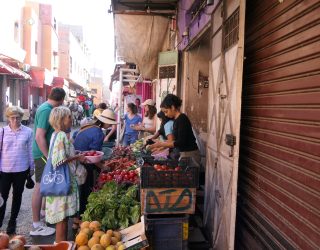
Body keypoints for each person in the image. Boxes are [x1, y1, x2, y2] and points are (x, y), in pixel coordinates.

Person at [31, 87, 66, 236]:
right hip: (42, 154)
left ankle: (43, 216)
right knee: (39, 187)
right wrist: (49, 157)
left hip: (44, 154)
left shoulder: (45, 107)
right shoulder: (46, 110)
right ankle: (36, 225)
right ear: (61, 100)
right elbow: (39, 136)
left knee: (45, 186)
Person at [46, 106, 84, 243]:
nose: (71, 119)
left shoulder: (55, 134)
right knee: (62, 220)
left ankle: (60, 244)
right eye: (68, 117)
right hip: (63, 182)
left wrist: (74, 154)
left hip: (60, 181)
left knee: (62, 219)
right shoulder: (61, 135)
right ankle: (60, 245)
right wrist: (77, 158)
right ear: (62, 119)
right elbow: (59, 160)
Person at [73, 109, 118, 225]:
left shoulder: (88, 125)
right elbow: (93, 156)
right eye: (111, 123)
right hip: (85, 162)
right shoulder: (98, 133)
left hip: (76, 158)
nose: (111, 126)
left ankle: (75, 218)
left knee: (78, 189)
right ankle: (81, 217)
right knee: (85, 189)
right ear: (106, 123)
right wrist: (103, 167)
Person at [0, 106, 35, 234]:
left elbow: (31, 151)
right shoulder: (2, 132)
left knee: (17, 196)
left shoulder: (28, 132)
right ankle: (0, 219)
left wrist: (32, 168)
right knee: (2, 196)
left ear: (21, 118)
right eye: (12, 118)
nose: (15, 121)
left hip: (21, 170)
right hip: (5, 170)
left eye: (18, 118)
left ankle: (12, 221)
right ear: (8, 118)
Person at [149, 94, 200, 164]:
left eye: (166, 111)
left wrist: (161, 144)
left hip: (189, 154)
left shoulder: (182, 119)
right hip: (183, 153)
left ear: (172, 107)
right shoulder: (176, 120)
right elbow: (175, 140)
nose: (165, 115)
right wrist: (161, 144)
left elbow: (180, 142)